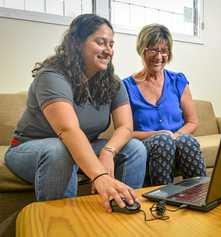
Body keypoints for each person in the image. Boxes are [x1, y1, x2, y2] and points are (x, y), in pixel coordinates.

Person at [4, 14, 147, 212]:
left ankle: (123, 209)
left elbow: (126, 127)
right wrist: (100, 176)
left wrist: (108, 151)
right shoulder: (52, 76)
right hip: (30, 149)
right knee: (58, 150)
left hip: (81, 147)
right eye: (100, 42)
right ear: (77, 43)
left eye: (111, 44)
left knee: (134, 149)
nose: (108, 50)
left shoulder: (112, 82)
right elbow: (68, 130)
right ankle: (62, 221)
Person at [123, 24, 206, 186]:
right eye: (153, 50)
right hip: (146, 144)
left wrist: (175, 135)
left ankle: (201, 195)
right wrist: (160, 134)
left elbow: (192, 122)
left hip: (177, 140)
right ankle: (162, 200)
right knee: (163, 141)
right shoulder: (126, 86)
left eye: (164, 51)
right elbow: (126, 132)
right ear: (142, 49)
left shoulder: (178, 81)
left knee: (187, 141)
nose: (159, 56)